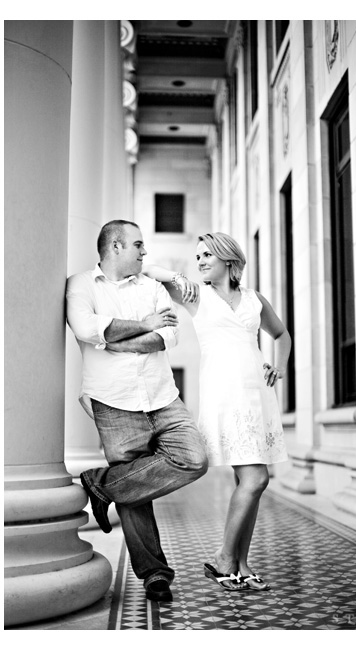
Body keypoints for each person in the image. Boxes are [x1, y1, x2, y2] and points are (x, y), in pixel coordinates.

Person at [66, 220, 208, 603]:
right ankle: (154, 575)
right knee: (136, 495)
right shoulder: (81, 285)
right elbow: (85, 327)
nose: (145, 252)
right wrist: (143, 326)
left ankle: (102, 483)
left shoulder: (152, 287)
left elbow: (168, 336)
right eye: (138, 245)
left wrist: (119, 340)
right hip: (113, 401)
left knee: (194, 458)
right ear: (114, 246)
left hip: (163, 397)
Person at [143, 232, 291, 592]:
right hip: (226, 396)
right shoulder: (196, 296)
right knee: (257, 479)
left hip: (258, 394)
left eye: (208, 254)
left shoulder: (255, 300)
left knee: (250, 481)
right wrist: (178, 277)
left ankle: (240, 564)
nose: (201, 261)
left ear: (228, 258)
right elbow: (145, 269)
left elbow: (282, 335)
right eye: (198, 256)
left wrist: (279, 365)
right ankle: (225, 558)